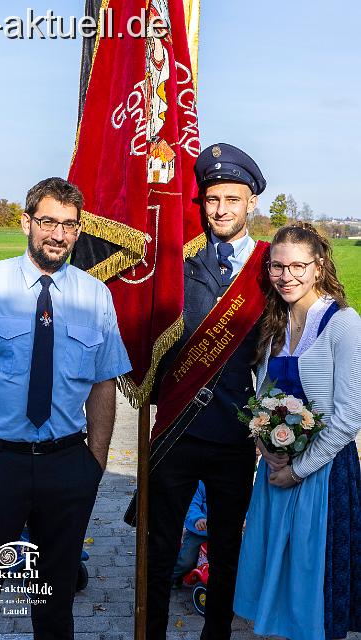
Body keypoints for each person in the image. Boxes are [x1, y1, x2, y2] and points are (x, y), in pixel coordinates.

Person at [0, 177, 131, 640]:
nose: (57, 235)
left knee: (55, 594)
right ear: (26, 222)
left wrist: (95, 461)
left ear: (78, 231)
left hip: (66, 464)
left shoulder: (94, 296)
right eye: (47, 222)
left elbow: (104, 383)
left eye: (68, 225)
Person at [146, 143, 268, 640]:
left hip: (235, 439)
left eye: (231, 199)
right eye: (212, 199)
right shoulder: (175, 263)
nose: (220, 210)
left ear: (251, 203)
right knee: (157, 548)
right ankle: (149, 631)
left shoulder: (270, 268)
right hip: (176, 433)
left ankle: (215, 634)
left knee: (225, 549)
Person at [234, 223, 361, 640]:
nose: (286, 276)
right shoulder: (274, 321)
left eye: (297, 266)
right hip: (275, 468)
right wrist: (263, 443)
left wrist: (299, 468)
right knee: (279, 567)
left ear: (319, 266)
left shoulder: (343, 324)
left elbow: (349, 415)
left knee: (312, 574)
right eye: (276, 267)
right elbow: (262, 394)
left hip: (320, 473)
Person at [172, 481, 208, 587]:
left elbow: (245, 503)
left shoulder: (232, 482)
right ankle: (173, 576)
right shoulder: (200, 484)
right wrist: (198, 518)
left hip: (224, 533)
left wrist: (245, 517)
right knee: (186, 561)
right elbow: (192, 504)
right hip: (199, 531)